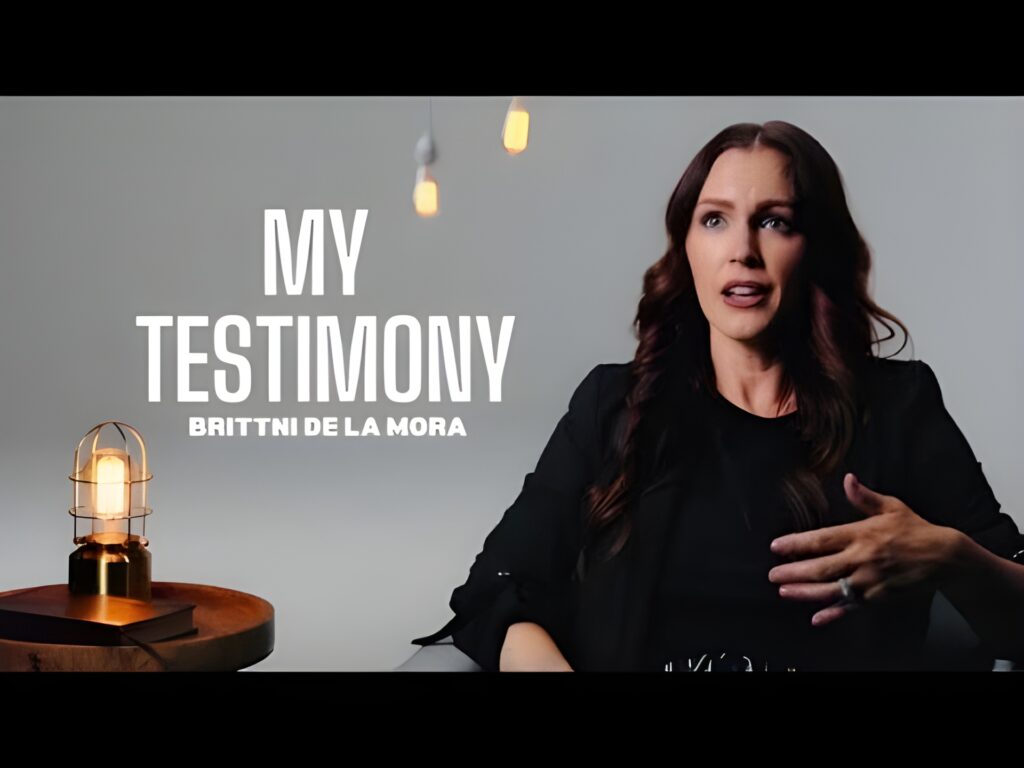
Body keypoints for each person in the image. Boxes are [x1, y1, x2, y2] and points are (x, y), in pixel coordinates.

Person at [410, 120, 1024, 671]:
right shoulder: (613, 406)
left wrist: (950, 556)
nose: (742, 252)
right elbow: (497, 589)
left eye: (775, 221)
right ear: (686, 247)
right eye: (714, 220)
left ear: (816, 247)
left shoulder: (898, 408)